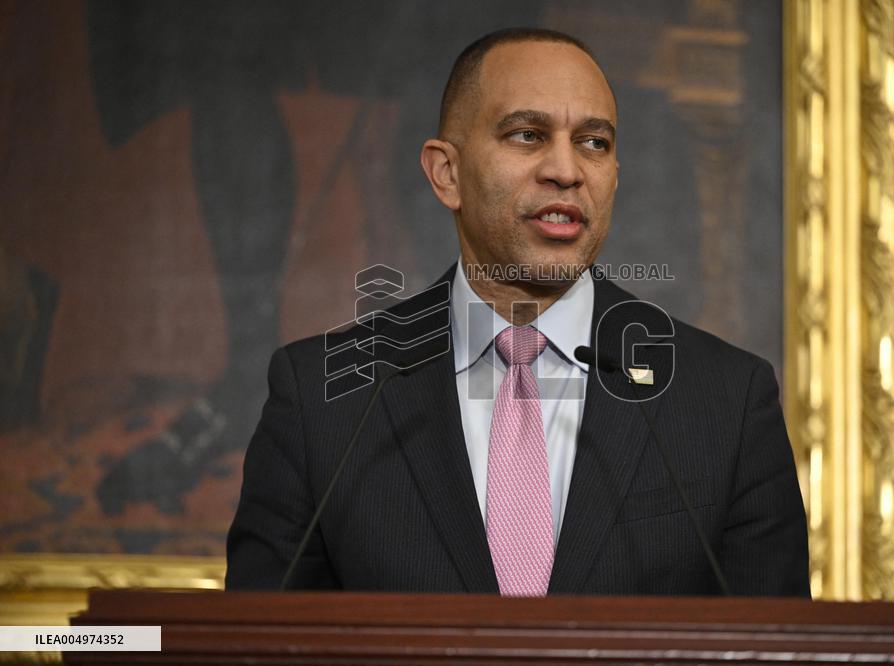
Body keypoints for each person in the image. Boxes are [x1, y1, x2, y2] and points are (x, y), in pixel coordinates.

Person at [225, 28, 810, 597]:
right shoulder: (323, 395)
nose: (567, 169)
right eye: (528, 135)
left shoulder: (725, 400)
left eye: (594, 142)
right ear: (446, 173)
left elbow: (774, 647)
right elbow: (257, 644)